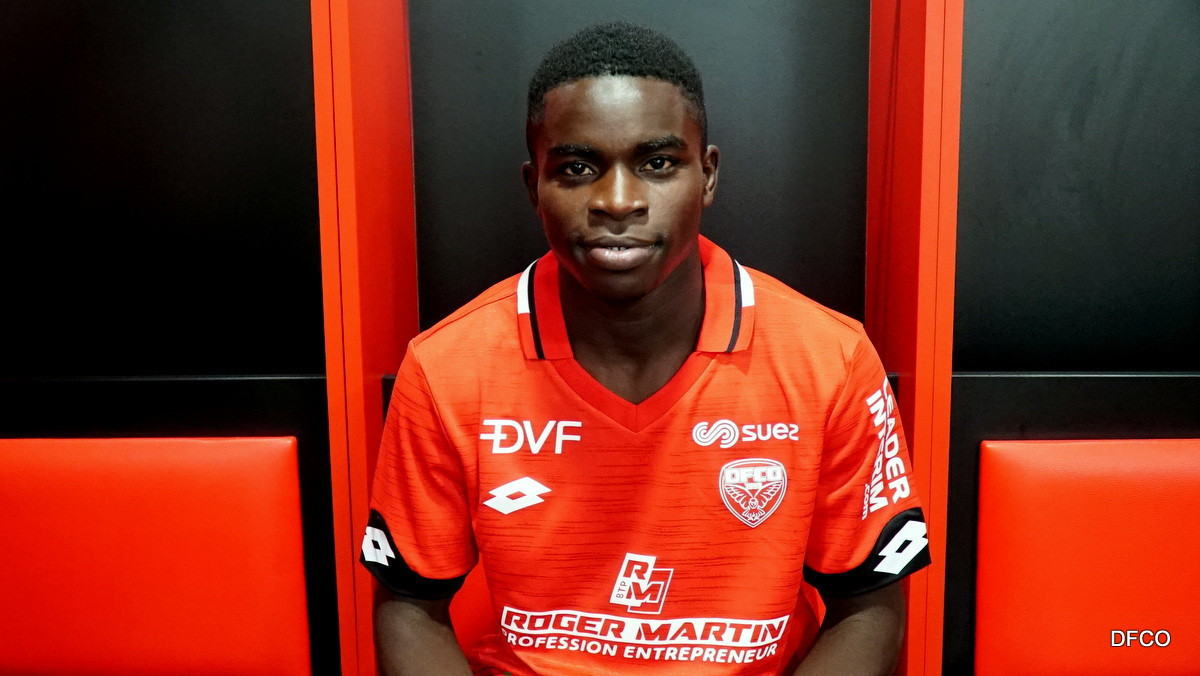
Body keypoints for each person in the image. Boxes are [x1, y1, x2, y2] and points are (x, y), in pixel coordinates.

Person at [360, 21, 930, 675]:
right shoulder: (445, 368)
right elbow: (409, 605)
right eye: (577, 168)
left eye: (657, 164)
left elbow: (870, 605)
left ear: (707, 175)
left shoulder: (830, 360)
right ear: (533, 186)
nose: (618, 201)